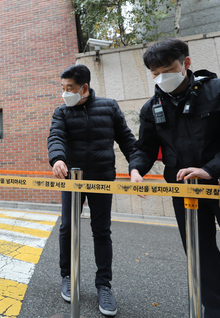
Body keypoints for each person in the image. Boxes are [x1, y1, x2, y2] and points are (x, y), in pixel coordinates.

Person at [129, 38, 220, 318]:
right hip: (186, 195)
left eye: (167, 69)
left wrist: (211, 169)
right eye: (155, 74)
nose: (162, 78)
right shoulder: (152, 107)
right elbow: (144, 147)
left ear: (186, 63)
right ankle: (217, 313)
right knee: (201, 258)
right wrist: (136, 169)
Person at [48, 64, 136, 316]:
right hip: (72, 178)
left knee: (101, 231)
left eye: (70, 88)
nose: (65, 93)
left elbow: (127, 140)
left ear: (84, 87)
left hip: (101, 178)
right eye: (62, 88)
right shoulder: (62, 112)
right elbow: (56, 137)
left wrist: (136, 168)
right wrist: (57, 159)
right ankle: (68, 276)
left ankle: (104, 285)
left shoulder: (109, 107)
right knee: (68, 227)